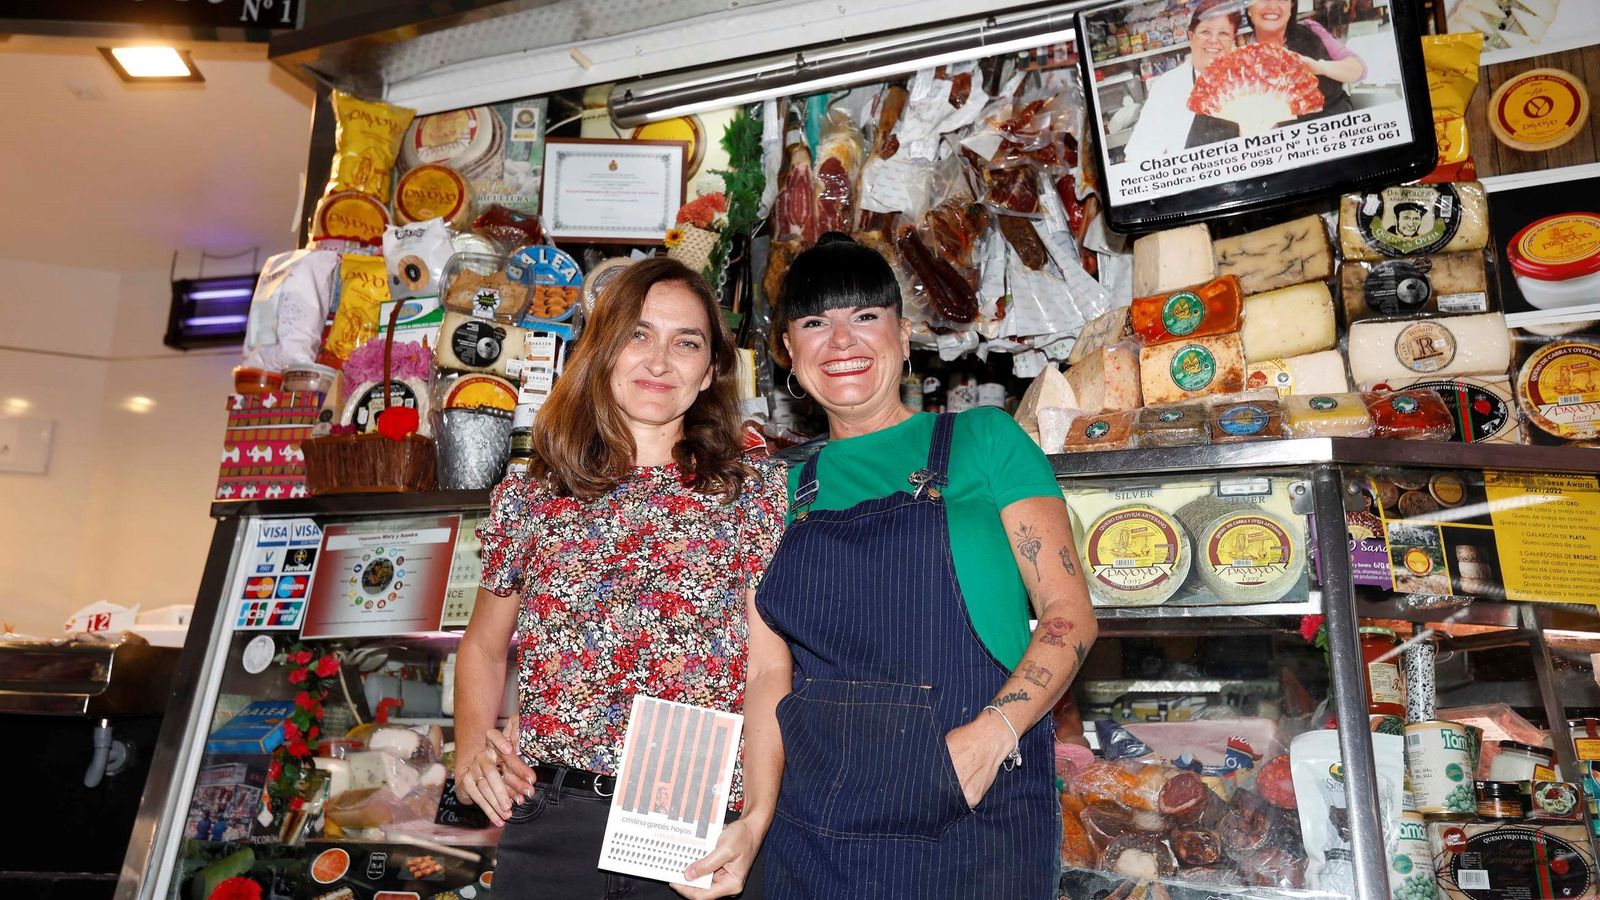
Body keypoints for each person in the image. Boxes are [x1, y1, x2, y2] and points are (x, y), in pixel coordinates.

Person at [686, 234, 1099, 899]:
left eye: (866, 316)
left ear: (905, 336)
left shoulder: (985, 440)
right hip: (817, 830)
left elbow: (1069, 616)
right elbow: (768, 677)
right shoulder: (775, 490)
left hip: (976, 808)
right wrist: (754, 820)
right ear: (790, 354)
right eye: (816, 322)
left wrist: (991, 736)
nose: (841, 339)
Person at [453, 257, 788, 900]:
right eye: (638, 334)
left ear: (712, 368)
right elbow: (485, 644)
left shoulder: (752, 494)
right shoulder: (534, 496)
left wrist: (756, 820)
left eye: (686, 342)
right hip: (552, 818)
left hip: (697, 826)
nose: (660, 361)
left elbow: (768, 672)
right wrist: (471, 743)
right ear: (602, 349)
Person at [1124, 0, 1243, 158]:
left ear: (1233, 40)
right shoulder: (1167, 88)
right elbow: (1138, 157)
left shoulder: (1249, 82)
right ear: (1191, 37)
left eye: (1224, 33)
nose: (1214, 40)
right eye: (1206, 32)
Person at [1248, 0, 1365, 116]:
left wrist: (1321, 67)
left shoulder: (1311, 29)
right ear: (1248, 8)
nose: (1272, 6)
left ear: (1291, 6)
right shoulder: (1241, 63)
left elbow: (1359, 69)